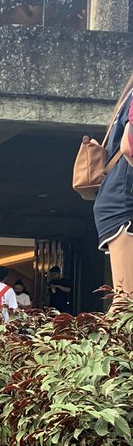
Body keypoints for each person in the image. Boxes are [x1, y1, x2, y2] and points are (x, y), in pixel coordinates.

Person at [90, 72, 133, 305]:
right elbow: (129, 147)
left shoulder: (128, 98)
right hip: (123, 204)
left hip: (116, 202)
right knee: (125, 302)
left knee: (124, 300)